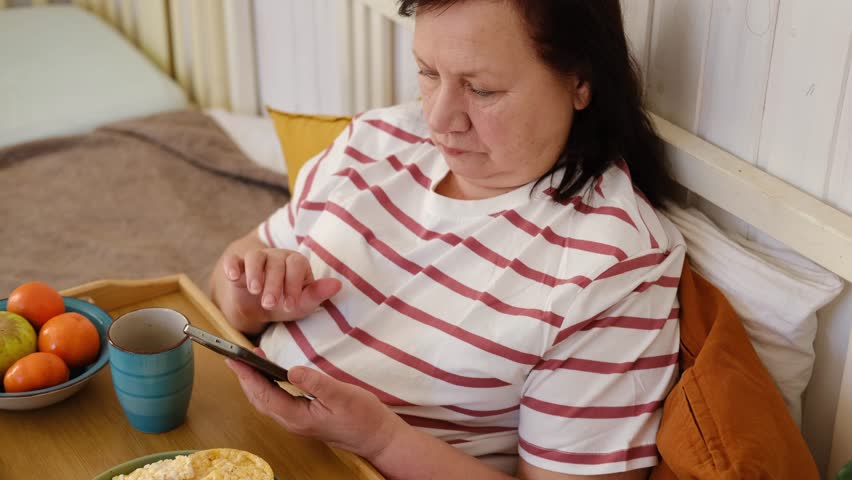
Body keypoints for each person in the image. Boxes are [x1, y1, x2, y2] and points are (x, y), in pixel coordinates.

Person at [210, 1, 686, 478]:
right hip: (225, 439)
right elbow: (226, 284)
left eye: (481, 89)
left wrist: (381, 439)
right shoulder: (375, 141)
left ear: (580, 81)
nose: (438, 119)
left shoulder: (612, 265)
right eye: (428, 73)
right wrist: (257, 298)